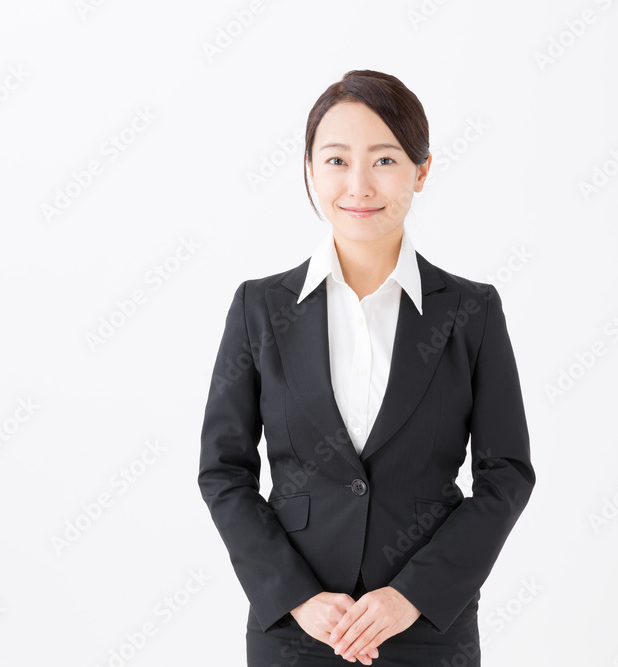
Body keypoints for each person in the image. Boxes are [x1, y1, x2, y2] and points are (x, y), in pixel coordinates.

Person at [199, 69, 535, 666]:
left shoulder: (471, 311)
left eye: (383, 160)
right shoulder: (259, 308)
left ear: (421, 170)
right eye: (335, 161)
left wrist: (412, 596)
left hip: (427, 632)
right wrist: (298, 597)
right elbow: (223, 472)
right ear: (309, 169)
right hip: (296, 634)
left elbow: (506, 474)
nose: (358, 185)